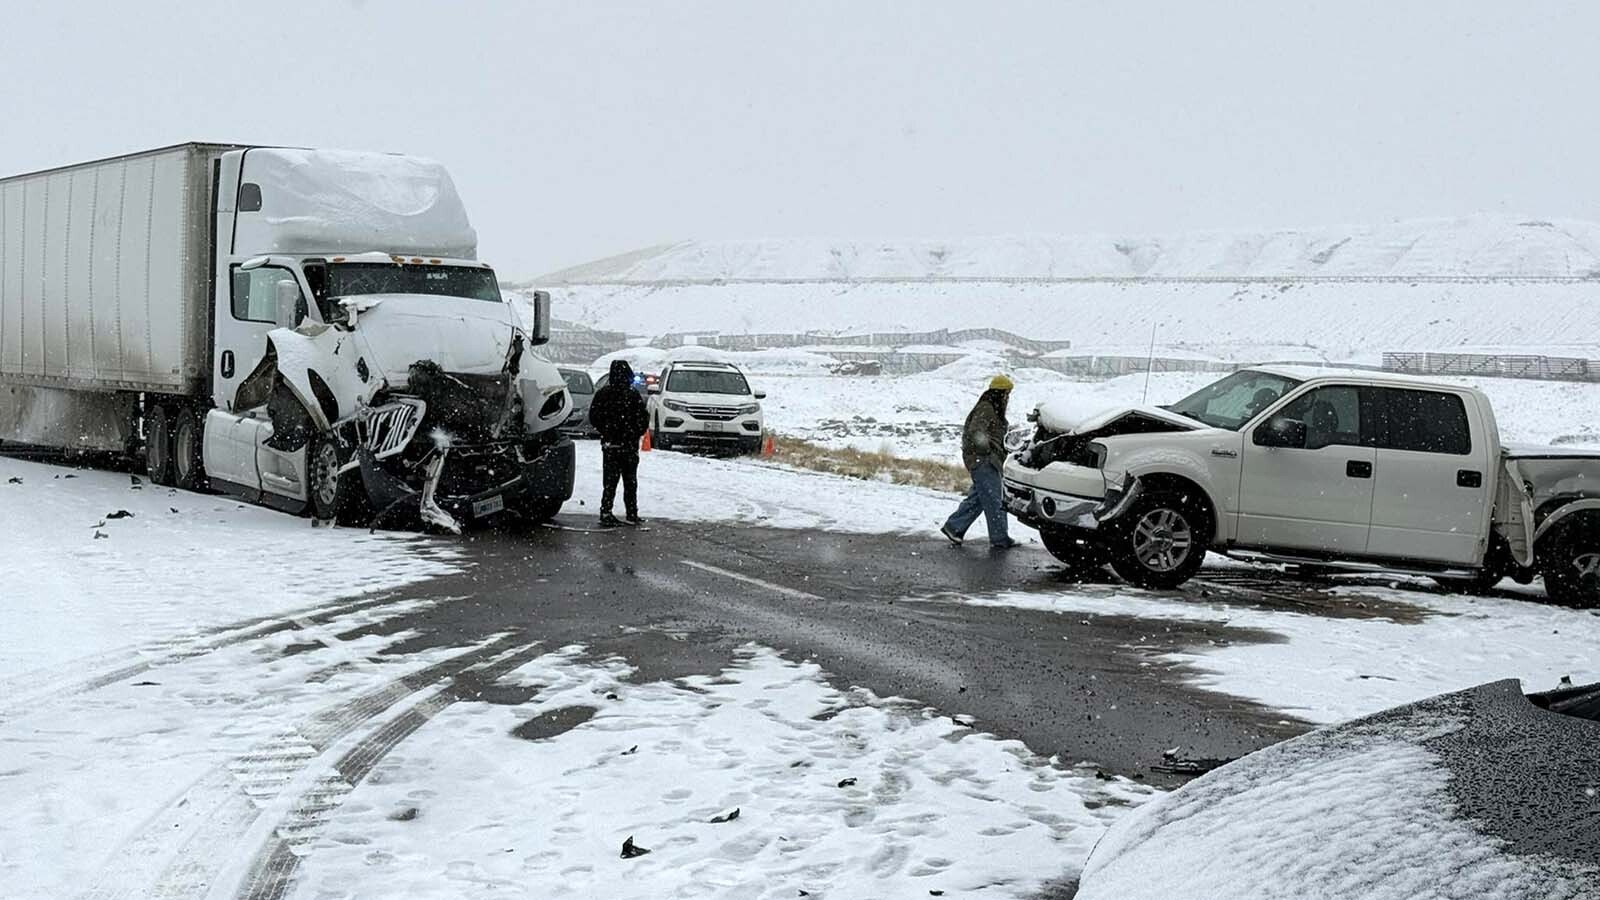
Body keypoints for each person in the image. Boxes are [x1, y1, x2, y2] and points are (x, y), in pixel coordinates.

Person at [942, 375, 1020, 549]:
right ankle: (1000, 538)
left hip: (984, 460)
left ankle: (954, 527)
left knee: (978, 499)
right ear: (1000, 393)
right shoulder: (986, 408)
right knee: (995, 500)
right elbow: (976, 432)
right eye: (1007, 394)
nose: (1008, 397)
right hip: (984, 461)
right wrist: (989, 451)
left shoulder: (990, 408)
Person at [588, 359, 650, 526]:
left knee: (610, 481)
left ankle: (606, 511)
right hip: (628, 445)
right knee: (630, 481)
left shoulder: (603, 394)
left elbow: (594, 417)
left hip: (611, 444)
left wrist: (607, 430)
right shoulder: (633, 394)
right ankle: (631, 513)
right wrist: (635, 432)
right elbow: (643, 418)